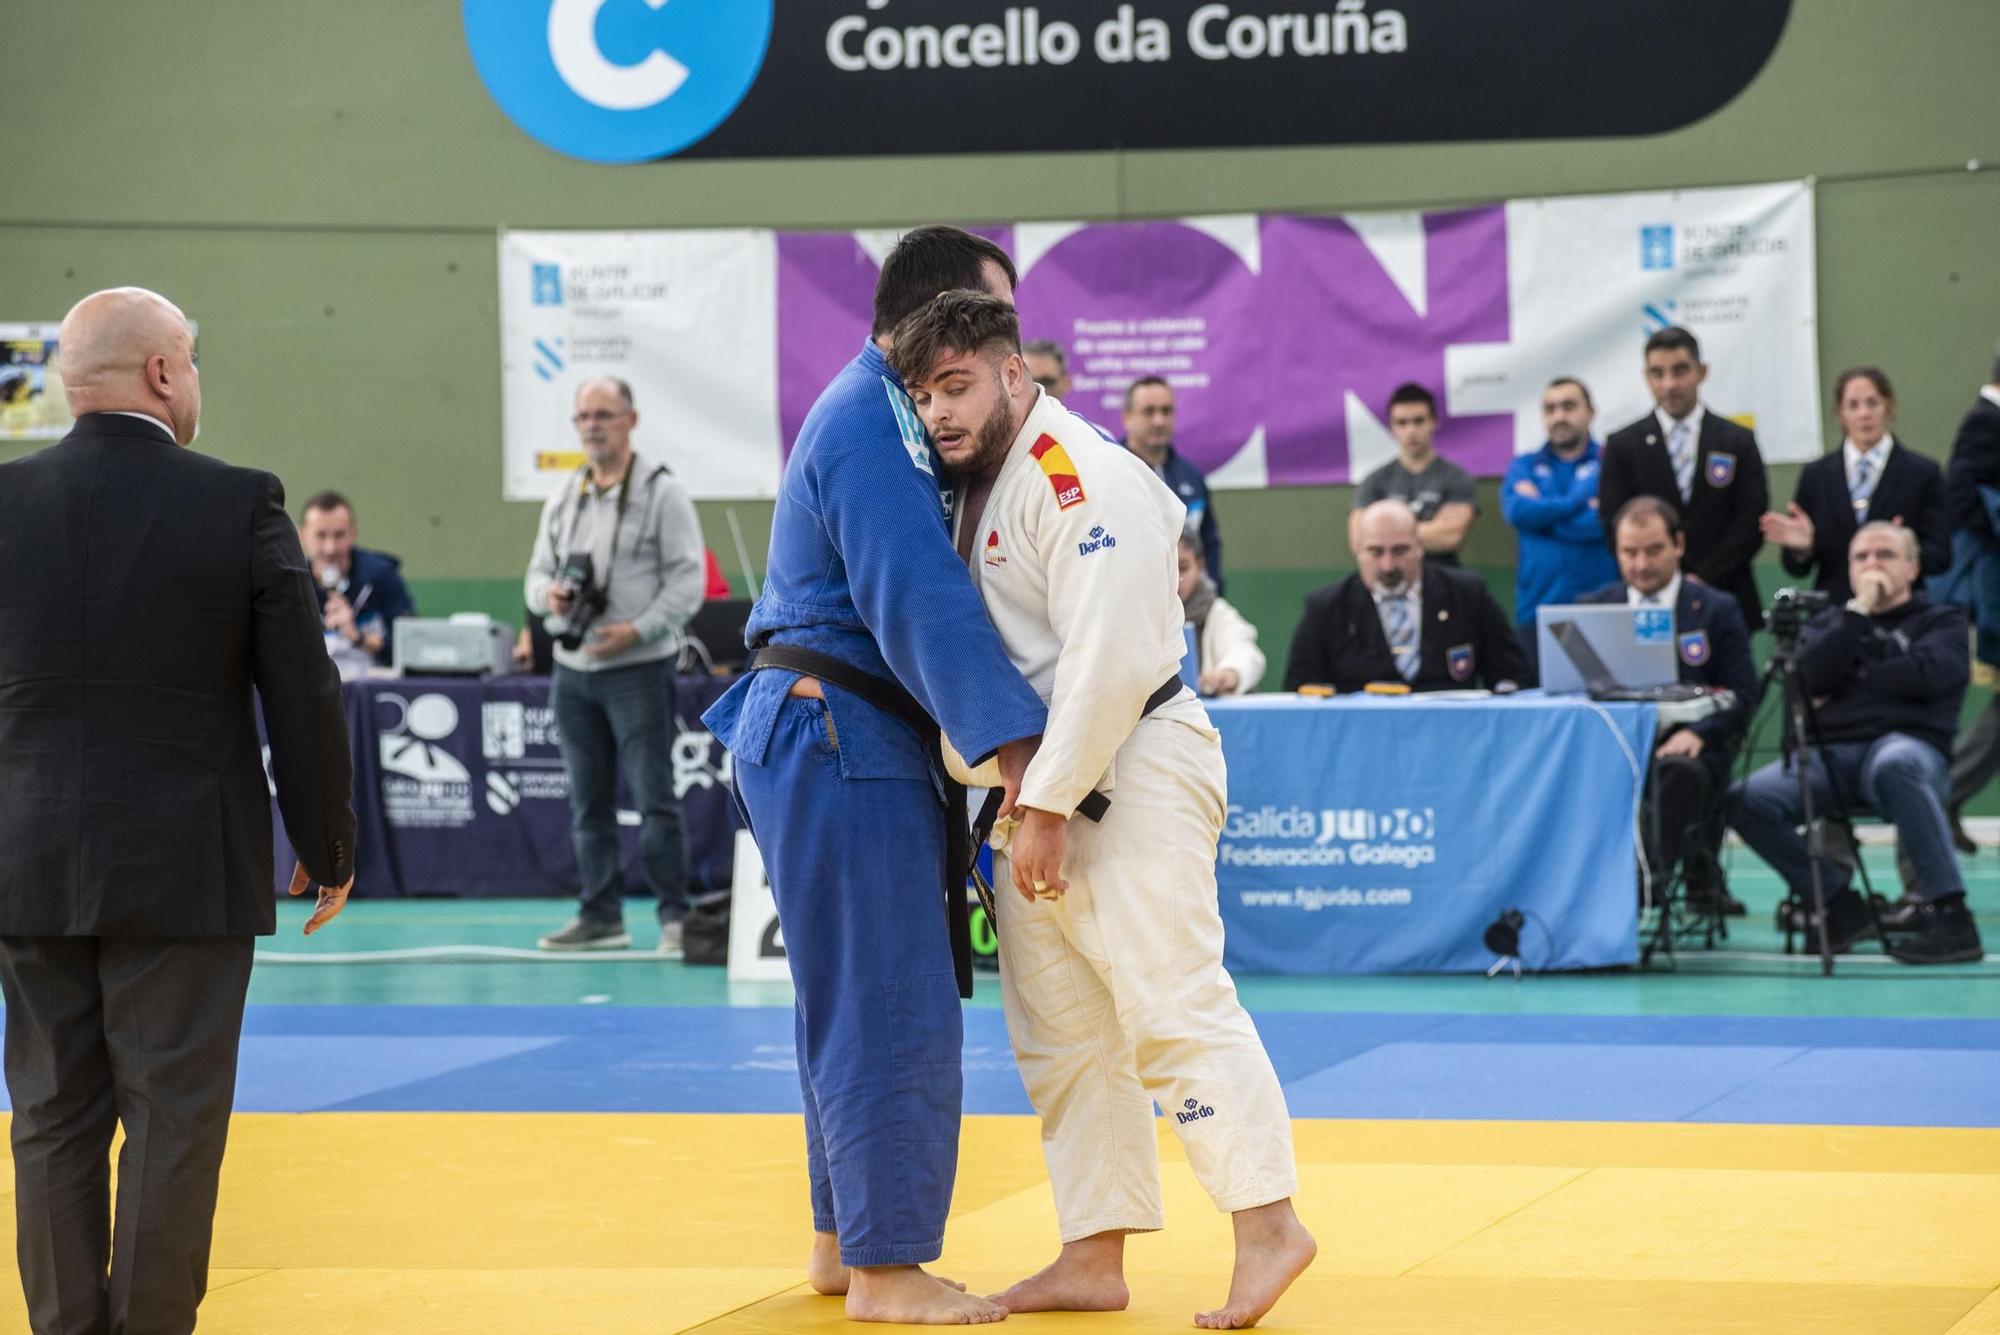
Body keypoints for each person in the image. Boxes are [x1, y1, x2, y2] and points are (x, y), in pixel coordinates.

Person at [893, 290, 1313, 1331]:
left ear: (1013, 375)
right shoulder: (974, 482)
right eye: (922, 395)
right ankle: (1093, 1250)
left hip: (1125, 767)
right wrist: (1018, 804)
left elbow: (1110, 654)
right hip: (1033, 787)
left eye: (956, 386)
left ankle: (1267, 1222)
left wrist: (1044, 802)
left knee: (1169, 999)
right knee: (1064, 1033)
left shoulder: (1077, 473)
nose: (939, 412)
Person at [701, 226, 1046, 1327]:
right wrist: (1021, 754)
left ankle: (841, 1239)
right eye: (988, 323)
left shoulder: (881, 413)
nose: (1002, 351)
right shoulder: (867, 418)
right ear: (939, 316)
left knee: (850, 998)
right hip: (836, 729)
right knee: (891, 999)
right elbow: (914, 597)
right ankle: (889, 1270)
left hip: (826, 732)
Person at [0, 288, 355, 1334]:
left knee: (51, 1121)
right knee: (172, 1120)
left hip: (25, 859)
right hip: (184, 868)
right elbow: (303, 686)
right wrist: (326, 842)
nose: (194, 380)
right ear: (162, 373)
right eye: (191, 362)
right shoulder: (240, 502)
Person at [1725, 522, 1982, 964]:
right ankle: (1841, 904)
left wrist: (1851, 682)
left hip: (1908, 749)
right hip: (1832, 755)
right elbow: (1806, 681)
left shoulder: (1943, 621)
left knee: (1894, 763)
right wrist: (1858, 613)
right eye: (1861, 557)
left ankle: (1952, 916)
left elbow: (1928, 676)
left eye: (1885, 555)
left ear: (1912, 567)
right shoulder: (1832, 622)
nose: (1872, 565)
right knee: (1746, 799)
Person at [525, 377, 706, 955]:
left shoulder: (660, 493)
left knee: (655, 799)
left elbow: (688, 580)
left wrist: (640, 627)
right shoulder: (564, 496)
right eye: (584, 417)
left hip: (637, 668)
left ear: (631, 418)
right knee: (587, 802)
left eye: (605, 414)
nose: (593, 426)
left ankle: (675, 917)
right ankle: (600, 915)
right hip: (573, 671)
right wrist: (549, 599)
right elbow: (533, 578)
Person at [1581, 498, 1758, 914]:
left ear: (1678, 544)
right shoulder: (1592, 609)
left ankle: (1642, 886)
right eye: (1630, 552)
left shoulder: (1716, 609)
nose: (1641, 564)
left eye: (1653, 550)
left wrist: (1697, 734)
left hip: (1687, 749)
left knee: (1677, 773)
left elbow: (1744, 694)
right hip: (1612, 746)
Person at [1598, 326, 1770, 629]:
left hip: (1726, 594)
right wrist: (1662, 578)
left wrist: (1699, 580)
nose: (1669, 384)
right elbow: (1613, 522)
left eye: (1680, 371)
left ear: (1701, 371)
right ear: (1646, 377)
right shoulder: (1623, 445)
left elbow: (1750, 521)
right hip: (1648, 600)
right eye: (1658, 373)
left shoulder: (1737, 440)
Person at [1285, 500, 1526, 693]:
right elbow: (1299, 692)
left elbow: (1513, 679)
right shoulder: (1326, 608)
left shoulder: (1467, 595)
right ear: (1357, 550)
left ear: (1419, 547)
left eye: (1400, 551)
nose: (1388, 566)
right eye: (1375, 552)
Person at [1761, 367, 1947, 603]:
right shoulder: (1817, 475)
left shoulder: (1922, 473)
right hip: (1835, 611)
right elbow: (1796, 568)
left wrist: (1901, 548)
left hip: (1902, 612)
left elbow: (1942, 555)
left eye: (1873, 403)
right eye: (1853, 405)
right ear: (1839, 413)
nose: (1864, 414)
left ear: (1889, 406)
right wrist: (1802, 549)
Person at [1502, 377, 1620, 673]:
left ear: (1591, 412)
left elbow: (1603, 524)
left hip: (1602, 613)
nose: (1559, 416)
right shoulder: (1523, 465)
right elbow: (1517, 512)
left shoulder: (1612, 462)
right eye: (1550, 408)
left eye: (1569, 406)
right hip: (1537, 612)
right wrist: (1577, 502)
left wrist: (1542, 515)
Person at [1930, 349, 2000, 845]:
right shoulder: (1985, 420)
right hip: (1986, 586)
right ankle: (1942, 793)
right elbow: (1959, 493)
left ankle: (1945, 794)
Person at [1348, 383, 1478, 565]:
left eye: (1418, 421)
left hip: (1442, 581)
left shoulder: (1457, 477)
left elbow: (1450, 537)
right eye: (1402, 423)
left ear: (1434, 422)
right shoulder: (1374, 481)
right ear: (1391, 427)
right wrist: (1429, 530)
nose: (1411, 431)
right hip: (1388, 582)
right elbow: (1359, 541)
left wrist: (1383, 533)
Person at [1122, 375, 1224, 590]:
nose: (1159, 420)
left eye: (1166, 411)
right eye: (1149, 412)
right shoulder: (1108, 471)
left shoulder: (1192, 476)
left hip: (1189, 607)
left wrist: (1213, 593)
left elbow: (1209, 543)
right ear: (1127, 417)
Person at [297, 489, 417, 669]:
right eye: (320, 535)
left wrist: (358, 636)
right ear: (302, 535)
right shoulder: (291, 584)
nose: (330, 548)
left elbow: (411, 645)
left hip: (373, 689)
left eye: (339, 535)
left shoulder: (382, 576)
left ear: (353, 534)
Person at [1179, 534, 1264, 696]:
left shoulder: (1218, 613)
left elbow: (1247, 654)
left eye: (1183, 568)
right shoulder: (1141, 616)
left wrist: (1229, 673)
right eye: (1166, 568)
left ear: (1200, 565)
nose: (1176, 578)